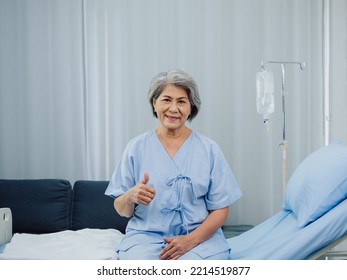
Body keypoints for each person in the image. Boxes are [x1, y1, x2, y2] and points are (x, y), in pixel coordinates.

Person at [105, 69, 242, 260]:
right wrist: (130, 196)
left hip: (199, 239)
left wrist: (191, 240)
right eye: (166, 99)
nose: (173, 109)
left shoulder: (209, 149)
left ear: (191, 107)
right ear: (154, 103)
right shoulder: (136, 147)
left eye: (181, 101)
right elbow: (121, 209)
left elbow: (220, 210)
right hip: (146, 239)